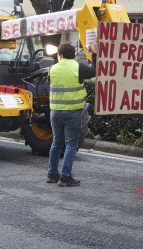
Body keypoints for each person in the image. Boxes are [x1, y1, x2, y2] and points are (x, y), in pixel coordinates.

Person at [47, 42, 97, 187]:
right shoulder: (78, 68)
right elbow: (94, 71)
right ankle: (66, 176)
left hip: (55, 112)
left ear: (60, 55)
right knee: (71, 144)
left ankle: (52, 174)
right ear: (72, 55)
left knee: (56, 142)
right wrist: (94, 53)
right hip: (72, 112)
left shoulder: (52, 69)